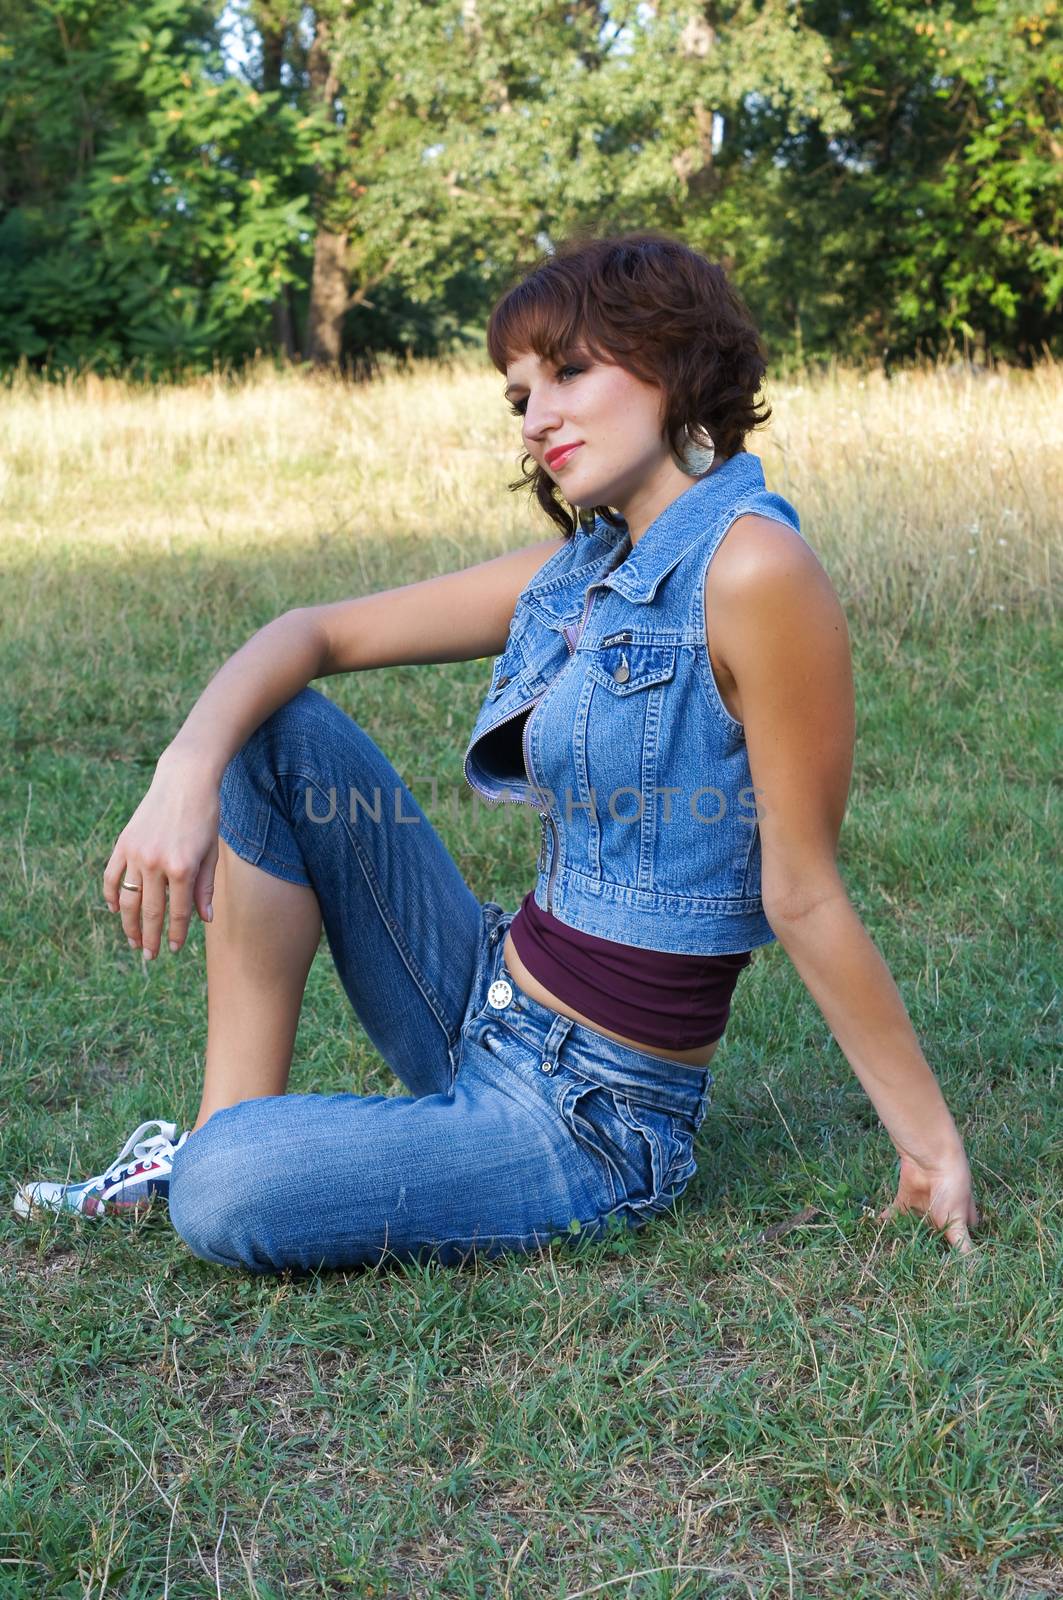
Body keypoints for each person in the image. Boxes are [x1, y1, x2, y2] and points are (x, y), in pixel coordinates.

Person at [14, 230, 979, 1270]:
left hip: (589, 1116)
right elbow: (314, 633)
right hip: (485, 991)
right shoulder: (583, 565)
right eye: (520, 395)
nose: (539, 417)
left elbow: (802, 891)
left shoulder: (755, 569)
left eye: (568, 372)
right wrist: (185, 768)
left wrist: (928, 1146)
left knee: (231, 1191)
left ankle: (220, 1159)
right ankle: (218, 1128)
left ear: (674, 358)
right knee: (276, 732)